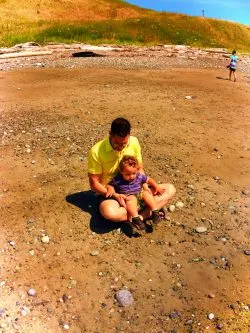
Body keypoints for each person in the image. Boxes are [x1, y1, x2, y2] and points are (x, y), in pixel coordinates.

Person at [88, 117, 176, 224]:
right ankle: (148, 211)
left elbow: (139, 169)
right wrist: (115, 195)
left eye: (124, 144)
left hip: (136, 188)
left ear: (129, 134)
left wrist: (144, 186)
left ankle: (138, 217)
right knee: (109, 212)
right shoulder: (96, 152)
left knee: (170, 189)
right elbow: (94, 184)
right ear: (110, 134)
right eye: (117, 143)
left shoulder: (134, 142)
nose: (120, 147)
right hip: (113, 193)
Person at [107, 155, 164, 231]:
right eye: (127, 174)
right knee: (131, 199)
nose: (131, 176)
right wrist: (110, 189)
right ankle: (136, 218)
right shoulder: (118, 179)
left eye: (134, 173)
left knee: (146, 193)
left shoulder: (139, 176)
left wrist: (156, 186)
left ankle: (155, 212)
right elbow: (110, 185)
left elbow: (149, 179)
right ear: (121, 172)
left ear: (136, 170)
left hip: (139, 193)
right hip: (128, 196)